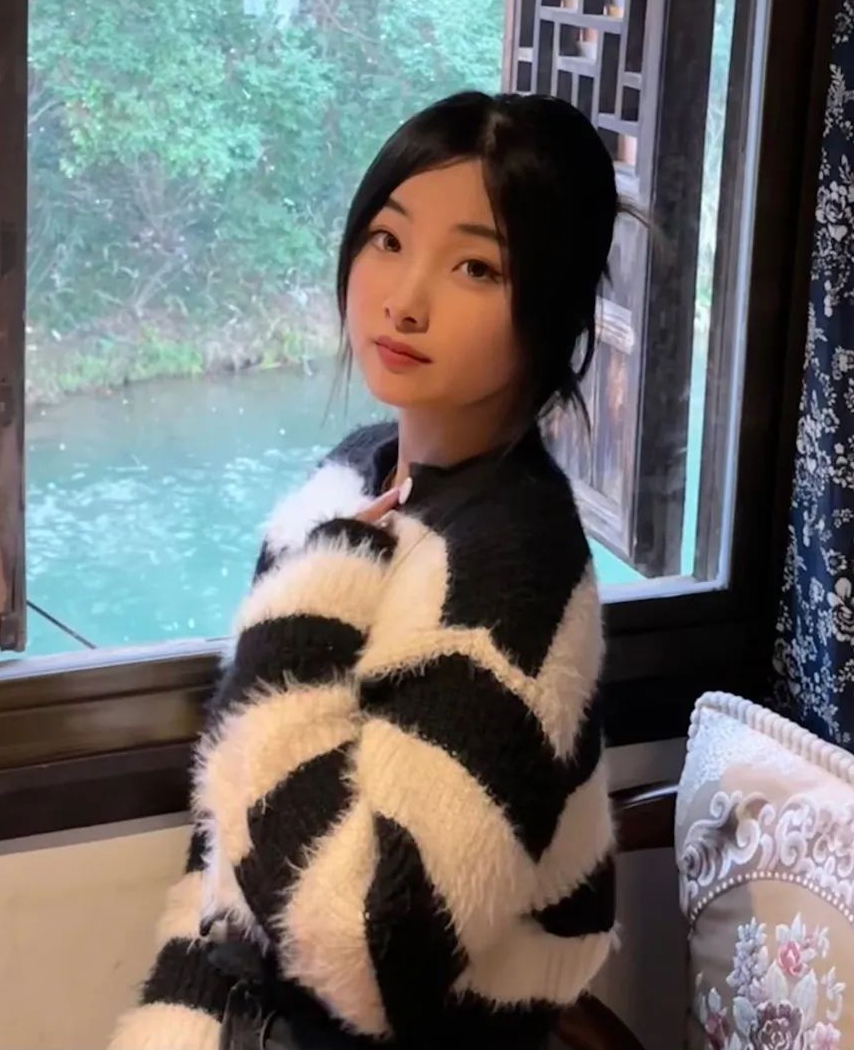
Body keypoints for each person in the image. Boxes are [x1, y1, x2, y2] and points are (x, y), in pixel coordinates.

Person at [111, 90, 618, 1050]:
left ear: (551, 307)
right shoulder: (356, 471)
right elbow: (235, 832)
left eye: (476, 267)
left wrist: (298, 626)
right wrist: (171, 1020)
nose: (405, 298)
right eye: (388, 240)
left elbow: (374, 953)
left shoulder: (513, 573)